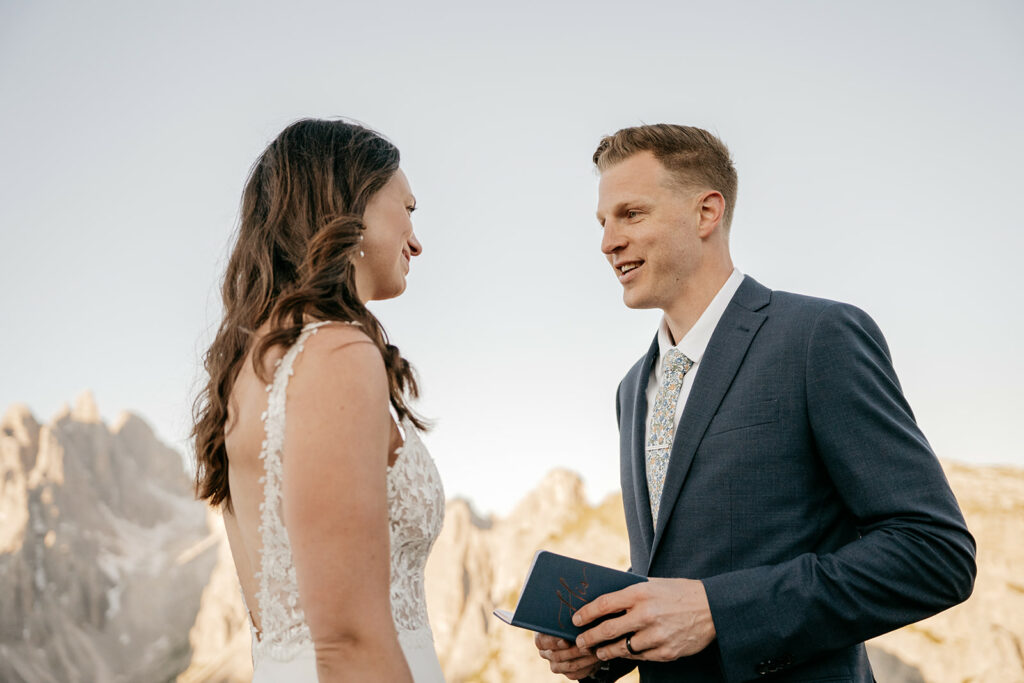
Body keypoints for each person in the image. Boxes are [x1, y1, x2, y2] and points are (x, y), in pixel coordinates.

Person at [535, 124, 976, 682]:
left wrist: (719, 611)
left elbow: (934, 554)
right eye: (603, 222)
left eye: (631, 214)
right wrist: (604, 641)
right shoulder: (631, 390)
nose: (608, 242)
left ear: (706, 213)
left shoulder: (818, 337)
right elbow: (678, 574)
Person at [192, 119, 445, 682]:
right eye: (407, 208)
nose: (416, 239)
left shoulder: (250, 367)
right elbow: (349, 641)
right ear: (349, 209)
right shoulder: (335, 354)